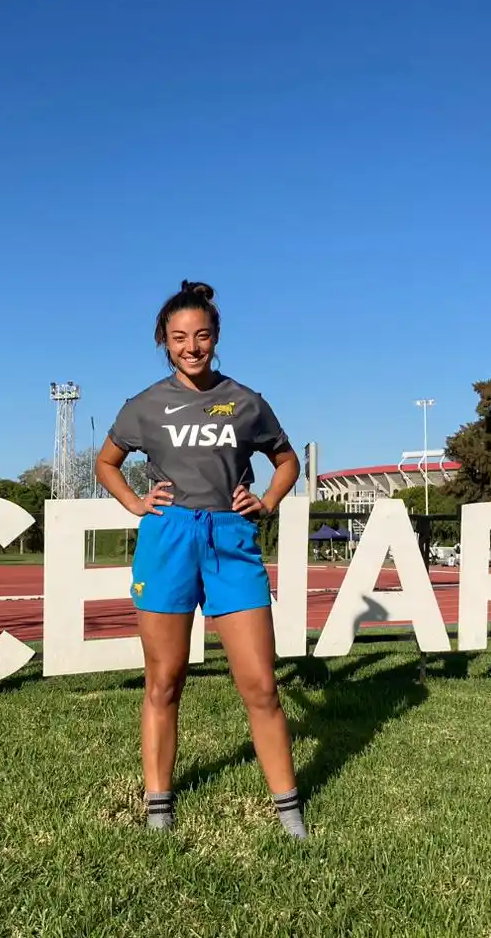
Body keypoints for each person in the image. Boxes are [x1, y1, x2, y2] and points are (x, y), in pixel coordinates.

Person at [94, 279, 306, 839]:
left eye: (202, 335)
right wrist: (138, 503)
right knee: (164, 681)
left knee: (260, 683)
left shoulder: (246, 401)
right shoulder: (144, 405)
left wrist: (266, 500)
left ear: (216, 338)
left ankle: (289, 810)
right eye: (179, 337)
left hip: (231, 539)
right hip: (169, 540)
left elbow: (287, 463)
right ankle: (158, 805)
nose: (192, 346)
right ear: (164, 341)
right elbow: (106, 463)